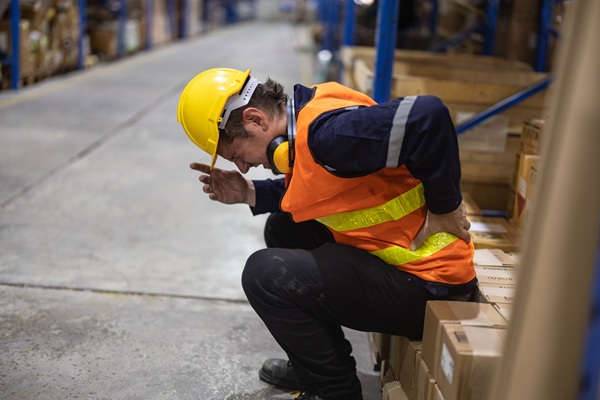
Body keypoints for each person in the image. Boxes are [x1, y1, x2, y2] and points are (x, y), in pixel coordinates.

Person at [177, 68, 476, 400]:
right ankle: (315, 366)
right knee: (283, 226)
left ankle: (334, 392)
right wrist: (250, 192)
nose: (243, 167)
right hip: (401, 266)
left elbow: (428, 115)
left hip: (428, 287)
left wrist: (445, 206)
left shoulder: (328, 136)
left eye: (237, 156)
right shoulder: (310, 125)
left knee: (264, 274)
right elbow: (317, 188)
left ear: (256, 120)